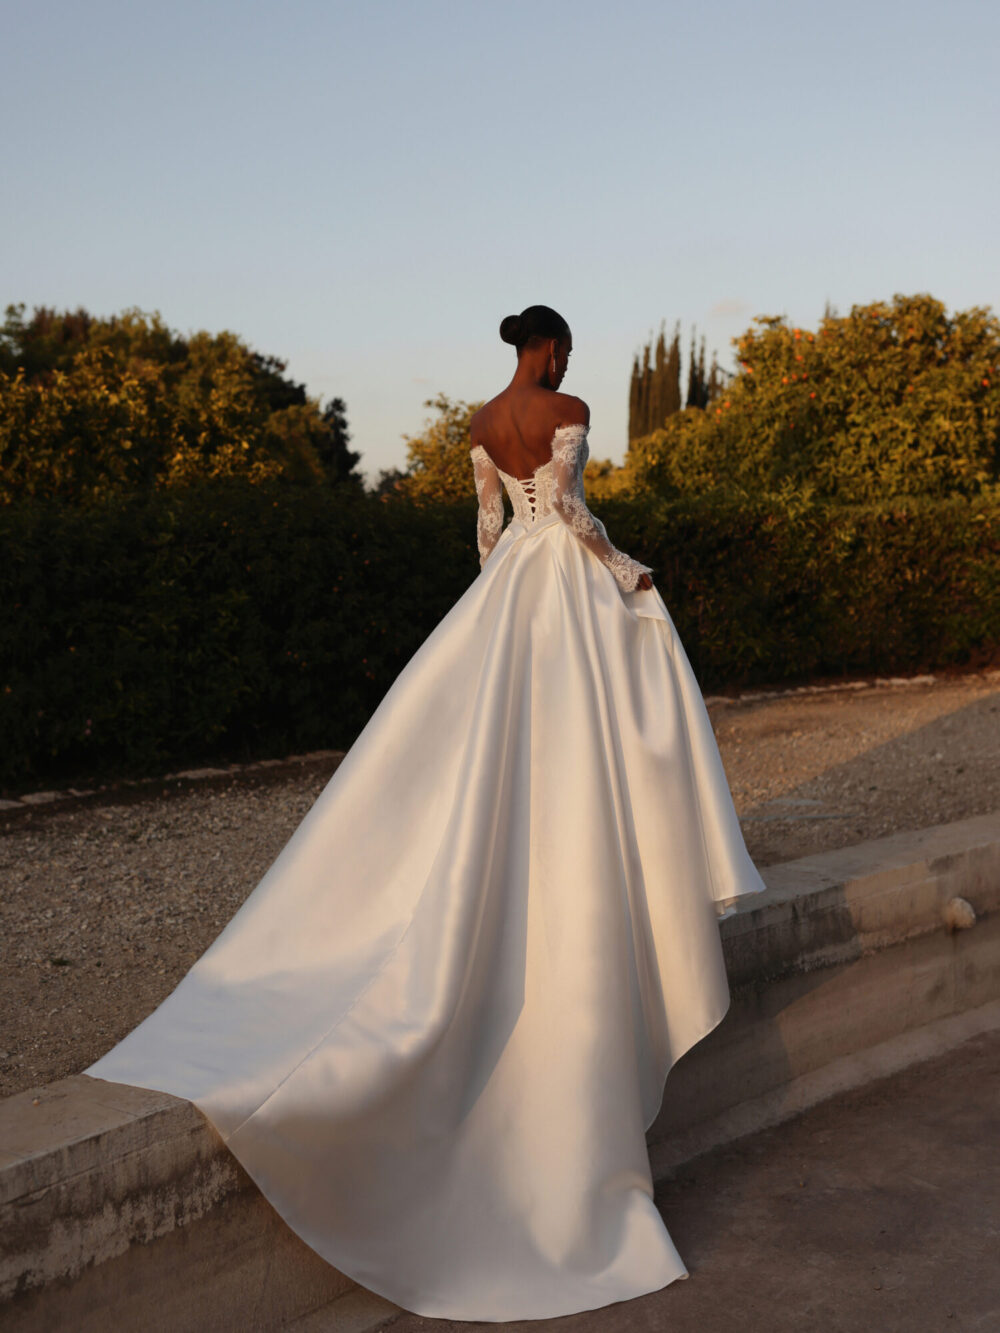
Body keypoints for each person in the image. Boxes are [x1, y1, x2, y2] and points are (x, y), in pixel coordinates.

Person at [86, 303, 767, 1322]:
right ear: (552, 348)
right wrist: (624, 570)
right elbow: (573, 514)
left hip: (506, 594)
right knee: (599, 725)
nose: (564, 361)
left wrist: (494, 608)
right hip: (567, 586)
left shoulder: (481, 423)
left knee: (481, 750)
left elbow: (489, 530)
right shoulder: (569, 405)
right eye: (562, 347)